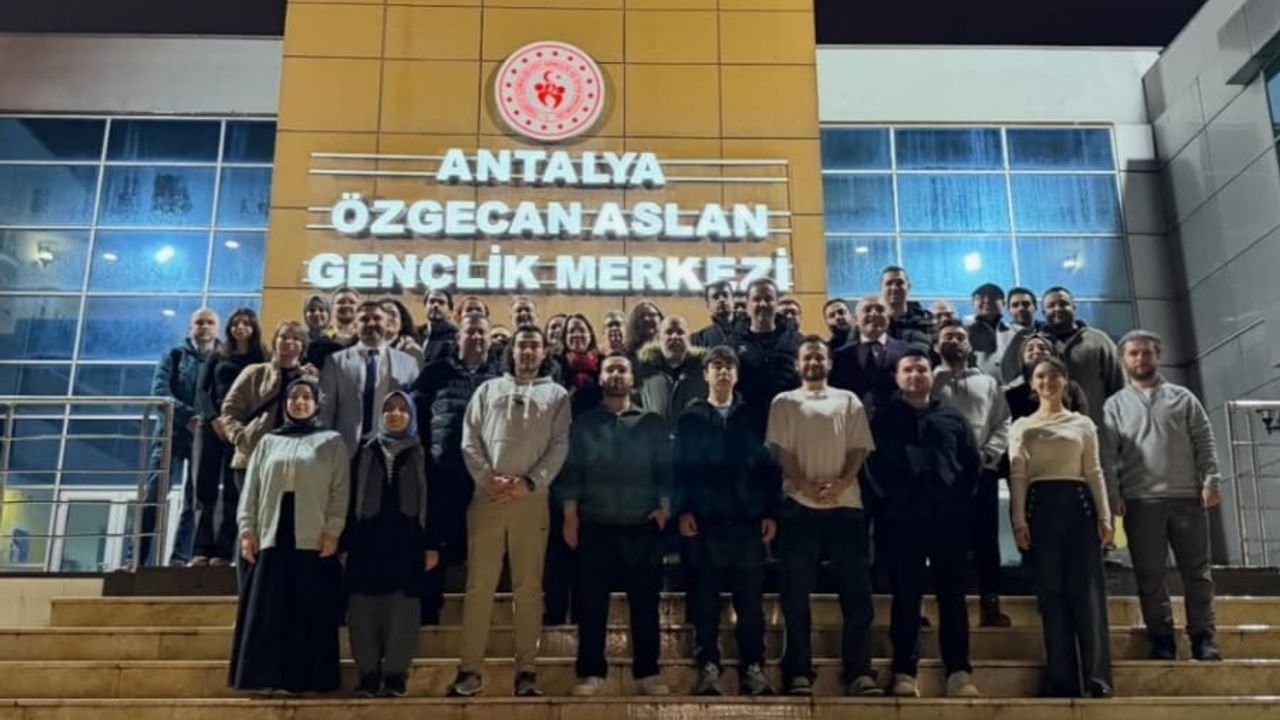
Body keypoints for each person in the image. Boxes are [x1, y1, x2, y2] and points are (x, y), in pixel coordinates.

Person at [448, 326, 571, 698]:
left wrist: (530, 482)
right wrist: (488, 479)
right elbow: (469, 439)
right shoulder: (488, 390)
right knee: (479, 586)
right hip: (487, 498)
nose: (528, 351)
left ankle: (527, 671)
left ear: (544, 351)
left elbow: (559, 445)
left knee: (529, 587)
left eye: (535, 345)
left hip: (530, 501)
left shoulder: (557, 394)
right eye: (522, 345)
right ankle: (469, 670)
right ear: (512, 350)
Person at [1103, 330, 1223, 661]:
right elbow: (1107, 456)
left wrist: (1212, 480)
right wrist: (1113, 495)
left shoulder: (1183, 398)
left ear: (1158, 355)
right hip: (1140, 502)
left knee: (1197, 574)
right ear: (1123, 360)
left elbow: (1204, 441)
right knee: (1150, 576)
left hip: (1188, 499)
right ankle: (1162, 638)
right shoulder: (1114, 405)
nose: (1140, 359)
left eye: (1146, 352)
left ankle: (1203, 637)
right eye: (1133, 353)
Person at [868, 348, 981, 698]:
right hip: (902, 521)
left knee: (952, 597)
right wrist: (890, 503)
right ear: (897, 377)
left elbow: (971, 464)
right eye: (908, 370)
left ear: (932, 376)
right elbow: (871, 468)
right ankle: (904, 671)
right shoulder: (882, 420)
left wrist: (957, 503)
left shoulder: (953, 417)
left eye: (921, 369)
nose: (915, 375)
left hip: (948, 521)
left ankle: (959, 672)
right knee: (906, 596)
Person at [768, 337, 878, 697]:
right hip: (798, 507)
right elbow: (781, 450)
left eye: (819, 357)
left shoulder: (848, 400)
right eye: (807, 357)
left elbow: (859, 447)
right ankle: (798, 671)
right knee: (795, 595)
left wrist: (842, 482)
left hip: (846, 507)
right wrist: (803, 484)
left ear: (829, 363)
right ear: (797, 364)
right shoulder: (784, 402)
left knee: (857, 596)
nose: (813, 362)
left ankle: (859, 671)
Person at [229, 377, 349, 694]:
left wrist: (333, 530)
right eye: (294, 397)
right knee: (269, 608)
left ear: (316, 404)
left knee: (308, 607)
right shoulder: (269, 441)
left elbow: (340, 491)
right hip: (272, 532)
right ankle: (266, 678)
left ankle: (306, 680)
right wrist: (247, 529)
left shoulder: (332, 441)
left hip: (313, 534)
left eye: (306, 397)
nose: (299, 402)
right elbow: (251, 490)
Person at [561, 353, 672, 697]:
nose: (616, 374)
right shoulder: (584, 423)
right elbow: (572, 471)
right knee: (591, 604)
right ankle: (591, 672)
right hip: (595, 524)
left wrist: (665, 507)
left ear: (632, 379)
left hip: (642, 525)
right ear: (601, 377)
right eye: (610, 369)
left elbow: (666, 468)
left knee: (645, 603)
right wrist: (570, 517)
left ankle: (648, 673)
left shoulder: (651, 422)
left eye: (622, 369)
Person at [675, 345, 779, 696]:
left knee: (750, 604)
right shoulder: (690, 417)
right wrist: (684, 510)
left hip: (748, 523)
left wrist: (770, 511)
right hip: (704, 524)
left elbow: (768, 468)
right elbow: (680, 468)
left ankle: (753, 667)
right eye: (716, 366)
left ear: (736, 374)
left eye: (729, 366)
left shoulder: (753, 416)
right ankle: (708, 666)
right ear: (705, 373)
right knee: (704, 602)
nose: (722, 371)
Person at [1010, 356, 1114, 698]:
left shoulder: (1082, 423)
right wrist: (1018, 520)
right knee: (1051, 594)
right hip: (1040, 508)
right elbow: (1018, 476)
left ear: (1065, 381)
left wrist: (1105, 516)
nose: (1047, 381)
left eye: (1054, 375)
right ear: (1032, 383)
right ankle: (1061, 677)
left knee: (1088, 594)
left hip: (1079, 507)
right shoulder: (1022, 425)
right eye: (1040, 376)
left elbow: (1094, 471)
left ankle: (1097, 677)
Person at [342, 391, 438, 697]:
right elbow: (346, 500)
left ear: (411, 415)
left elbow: (436, 503)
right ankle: (368, 675)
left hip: (408, 544)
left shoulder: (424, 455)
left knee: (403, 611)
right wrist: (344, 543)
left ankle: (395, 676)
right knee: (362, 610)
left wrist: (433, 545)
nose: (395, 414)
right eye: (389, 409)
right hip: (365, 543)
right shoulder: (364, 452)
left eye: (402, 409)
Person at [410, 313, 501, 624]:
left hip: (486, 477)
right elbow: (416, 415)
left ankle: (484, 621)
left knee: (484, 549)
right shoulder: (436, 372)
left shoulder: (501, 377)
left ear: (490, 339)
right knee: (435, 548)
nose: (476, 338)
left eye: (481, 333)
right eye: (469, 332)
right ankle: (428, 619)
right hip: (443, 472)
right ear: (458, 338)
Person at [932, 320, 1012, 627]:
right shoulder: (928, 380)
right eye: (947, 337)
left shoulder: (988, 383)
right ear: (936, 346)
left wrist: (989, 454)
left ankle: (990, 604)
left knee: (985, 540)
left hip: (981, 471)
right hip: (940, 477)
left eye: (960, 336)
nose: (954, 341)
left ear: (970, 346)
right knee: (944, 542)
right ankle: (948, 605)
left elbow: (1003, 422)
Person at [135, 307, 219, 567]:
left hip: (203, 437)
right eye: (199, 322)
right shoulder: (174, 355)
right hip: (170, 435)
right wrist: (188, 417)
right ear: (190, 327)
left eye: (209, 322)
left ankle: (180, 558)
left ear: (217, 328)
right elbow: (160, 391)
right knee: (154, 495)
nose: (204, 327)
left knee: (194, 501)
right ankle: (136, 557)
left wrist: (206, 421)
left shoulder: (221, 359)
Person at [192, 308, 265, 566]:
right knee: (205, 489)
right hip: (211, 427)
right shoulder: (218, 354)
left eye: (246, 323)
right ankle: (200, 549)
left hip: (243, 430)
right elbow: (202, 390)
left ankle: (223, 552)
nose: (240, 327)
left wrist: (244, 426)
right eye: (235, 323)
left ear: (254, 328)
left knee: (234, 491)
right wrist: (214, 419)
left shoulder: (261, 357)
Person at [545, 313, 602, 624]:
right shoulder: (554, 369)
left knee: (589, 546)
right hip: (560, 464)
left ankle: (583, 615)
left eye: (582, 329)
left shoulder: (602, 368)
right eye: (571, 331)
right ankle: (554, 614)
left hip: (594, 467)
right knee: (558, 545)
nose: (577, 335)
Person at [220, 322, 316, 492]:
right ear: (274, 341)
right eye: (283, 337)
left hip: (294, 464)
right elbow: (230, 410)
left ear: (303, 346)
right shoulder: (254, 373)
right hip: (252, 458)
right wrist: (240, 437)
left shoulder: (310, 381)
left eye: (296, 338)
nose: (289, 342)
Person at [319, 301, 420, 460]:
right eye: (364, 319)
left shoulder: (408, 363)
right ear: (355, 326)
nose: (371, 323)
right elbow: (326, 409)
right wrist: (324, 447)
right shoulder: (335, 362)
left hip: (392, 450)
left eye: (377, 318)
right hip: (345, 450)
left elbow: (413, 412)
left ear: (387, 323)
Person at [1042, 287, 1124, 428]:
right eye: (1051, 305)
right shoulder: (1037, 345)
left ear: (1074, 307)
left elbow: (1118, 384)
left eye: (1063, 304)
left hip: (1095, 428)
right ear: (1043, 312)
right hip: (1051, 430)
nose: (1057, 309)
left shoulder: (1098, 341)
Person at [732, 278, 802, 434]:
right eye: (757, 299)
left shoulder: (797, 341)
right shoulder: (732, 343)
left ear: (776, 303)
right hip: (746, 430)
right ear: (748, 305)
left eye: (768, 299)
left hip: (790, 427)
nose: (763, 304)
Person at [831, 294, 911, 420]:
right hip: (851, 423)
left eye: (880, 309)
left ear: (888, 318)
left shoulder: (906, 351)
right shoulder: (840, 356)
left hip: (897, 423)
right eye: (867, 310)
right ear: (855, 319)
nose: (874, 314)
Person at [634, 315, 707, 434]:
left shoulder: (703, 371)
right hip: (656, 442)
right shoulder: (644, 372)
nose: (674, 337)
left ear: (689, 338)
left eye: (680, 332)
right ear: (658, 338)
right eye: (668, 332)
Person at [1004, 336, 1090, 420]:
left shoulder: (1071, 388)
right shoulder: (1012, 395)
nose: (1037, 352)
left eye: (1042, 348)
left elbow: (1081, 420)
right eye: (1030, 349)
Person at [880, 266, 936, 352]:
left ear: (908, 286)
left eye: (900, 283)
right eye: (889, 283)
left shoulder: (927, 321)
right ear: (881, 287)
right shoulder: (870, 323)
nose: (894, 288)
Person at [302, 294, 345, 369]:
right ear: (305, 315)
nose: (316, 313)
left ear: (329, 314)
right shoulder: (300, 341)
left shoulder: (341, 341)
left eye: (321, 310)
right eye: (312, 310)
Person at [692, 281, 736, 349]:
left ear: (733, 300)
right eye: (715, 297)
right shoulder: (699, 339)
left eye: (725, 295)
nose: (721, 299)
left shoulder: (749, 331)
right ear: (708, 305)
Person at [381, 298, 425, 365]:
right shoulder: (365, 349)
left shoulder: (412, 351)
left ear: (402, 323)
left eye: (393, 314)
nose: (388, 318)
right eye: (383, 314)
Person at [419, 290, 458, 364]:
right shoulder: (415, 334)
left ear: (450, 310)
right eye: (431, 302)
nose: (436, 305)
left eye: (441, 302)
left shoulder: (457, 337)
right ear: (425, 306)